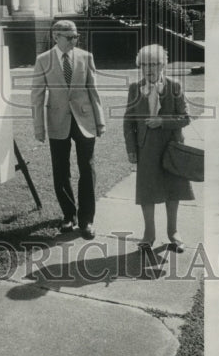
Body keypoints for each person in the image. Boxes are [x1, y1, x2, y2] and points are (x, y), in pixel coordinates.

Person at [31, 19, 106, 239]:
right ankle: (68, 215)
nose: (74, 40)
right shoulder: (43, 60)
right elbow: (36, 96)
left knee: (87, 168)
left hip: (85, 120)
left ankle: (86, 220)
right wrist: (38, 128)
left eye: (76, 36)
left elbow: (94, 91)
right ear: (56, 37)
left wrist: (100, 121)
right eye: (69, 37)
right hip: (57, 122)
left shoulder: (86, 57)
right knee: (61, 171)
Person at [122, 44, 193, 252]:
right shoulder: (135, 88)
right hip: (146, 148)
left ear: (163, 65)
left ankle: (173, 233)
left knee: (173, 191)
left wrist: (162, 120)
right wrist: (131, 149)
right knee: (147, 191)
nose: (149, 68)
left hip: (171, 146)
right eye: (144, 64)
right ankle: (149, 234)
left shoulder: (174, 86)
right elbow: (128, 121)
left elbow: (186, 118)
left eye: (153, 64)